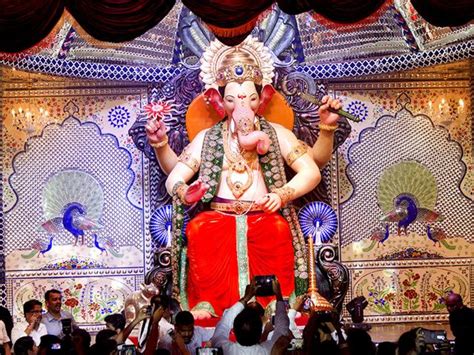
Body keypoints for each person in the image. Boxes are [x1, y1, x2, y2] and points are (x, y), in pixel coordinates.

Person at [146, 36, 342, 318]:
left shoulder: (276, 134)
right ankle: (207, 303)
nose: (242, 108)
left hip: (262, 214)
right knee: (200, 229)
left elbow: (311, 171)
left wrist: (281, 194)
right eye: (232, 99)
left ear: (262, 98)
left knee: (277, 230)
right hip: (218, 216)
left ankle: (276, 301)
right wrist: (184, 192)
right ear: (217, 100)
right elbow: (175, 175)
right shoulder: (208, 138)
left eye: (249, 99)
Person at [211, 279, 290, 354]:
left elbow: (224, 324)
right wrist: (278, 294)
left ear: (234, 330)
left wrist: (246, 298)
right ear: (260, 333)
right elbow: (282, 328)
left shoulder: (226, 350)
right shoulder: (269, 350)